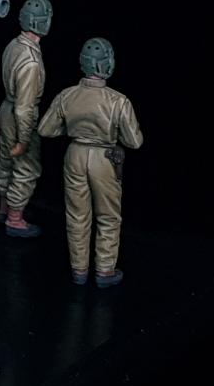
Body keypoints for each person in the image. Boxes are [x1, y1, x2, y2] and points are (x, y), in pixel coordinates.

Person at [38, 38, 143, 287]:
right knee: (108, 216)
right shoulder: (118, 101)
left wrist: (73, 130)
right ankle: (104, 270)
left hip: (74, 155)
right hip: (105, 159)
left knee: (76, 214)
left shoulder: (67, 95)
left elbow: (45, 129)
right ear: (108, 64)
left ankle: (79, 269)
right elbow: (134, 141)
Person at [0, 0, 52, 237]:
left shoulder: (14, 45)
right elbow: (24, 107)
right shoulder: (30, 61)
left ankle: (4, 207)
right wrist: (24, 139)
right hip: (19, 114)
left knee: (6, 161)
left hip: (6, 109)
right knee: (26, 167)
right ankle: (14, 218)